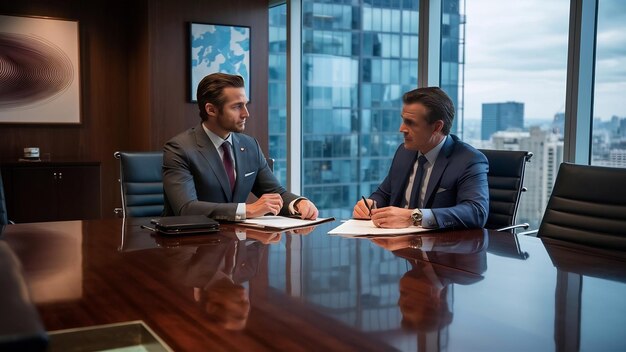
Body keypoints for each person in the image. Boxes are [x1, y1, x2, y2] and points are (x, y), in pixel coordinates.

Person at [163, 73, 318, 221]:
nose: (246, 113)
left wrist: (298, 203)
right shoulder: (179, 149)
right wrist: (247, 210)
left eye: (245, 105)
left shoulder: (250, 145)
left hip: (235, 241)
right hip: (189, 243)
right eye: (237, 106)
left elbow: (275, 193)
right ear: (211, 110)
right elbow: (186, 209)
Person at [353, 87, 488, 229]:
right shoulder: (404, 152)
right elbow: (384, 193)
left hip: (440, 247)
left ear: (436, 127)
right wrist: (370, 204)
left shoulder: (469, 160)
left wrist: (414, 217)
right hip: (398, 244)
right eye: (403, 120)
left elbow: (476, 212)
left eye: (411, 123)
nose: (401, 129)